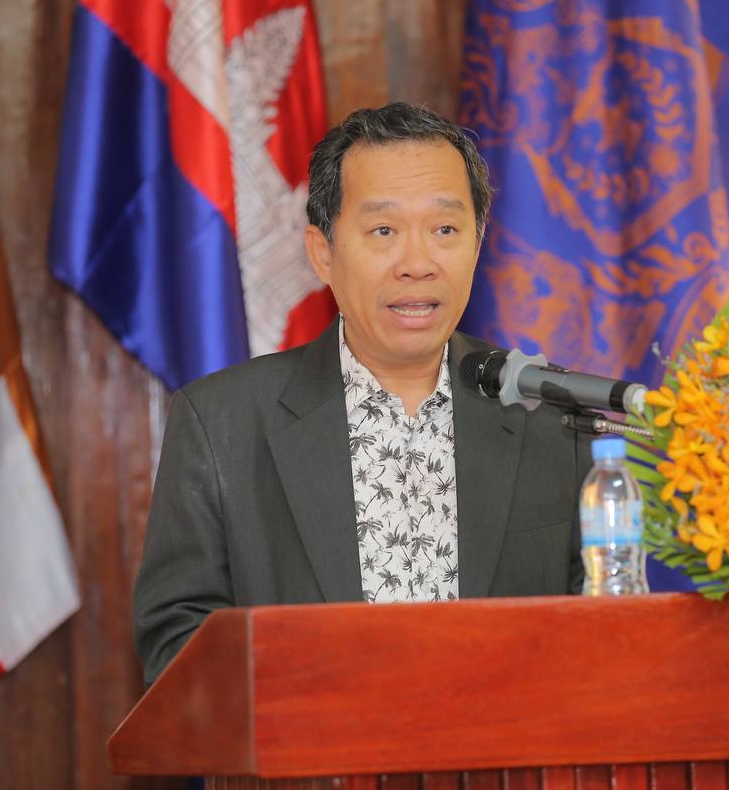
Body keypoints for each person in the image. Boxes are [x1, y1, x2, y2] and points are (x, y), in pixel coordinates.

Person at [132, 102, 592, 686]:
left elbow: (600, 629)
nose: (417, 264)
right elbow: (177, 646)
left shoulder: (548, 412)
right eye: (384, 231)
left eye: (445, 230)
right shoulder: (221, 422)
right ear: (322, 253)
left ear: (477, 244)